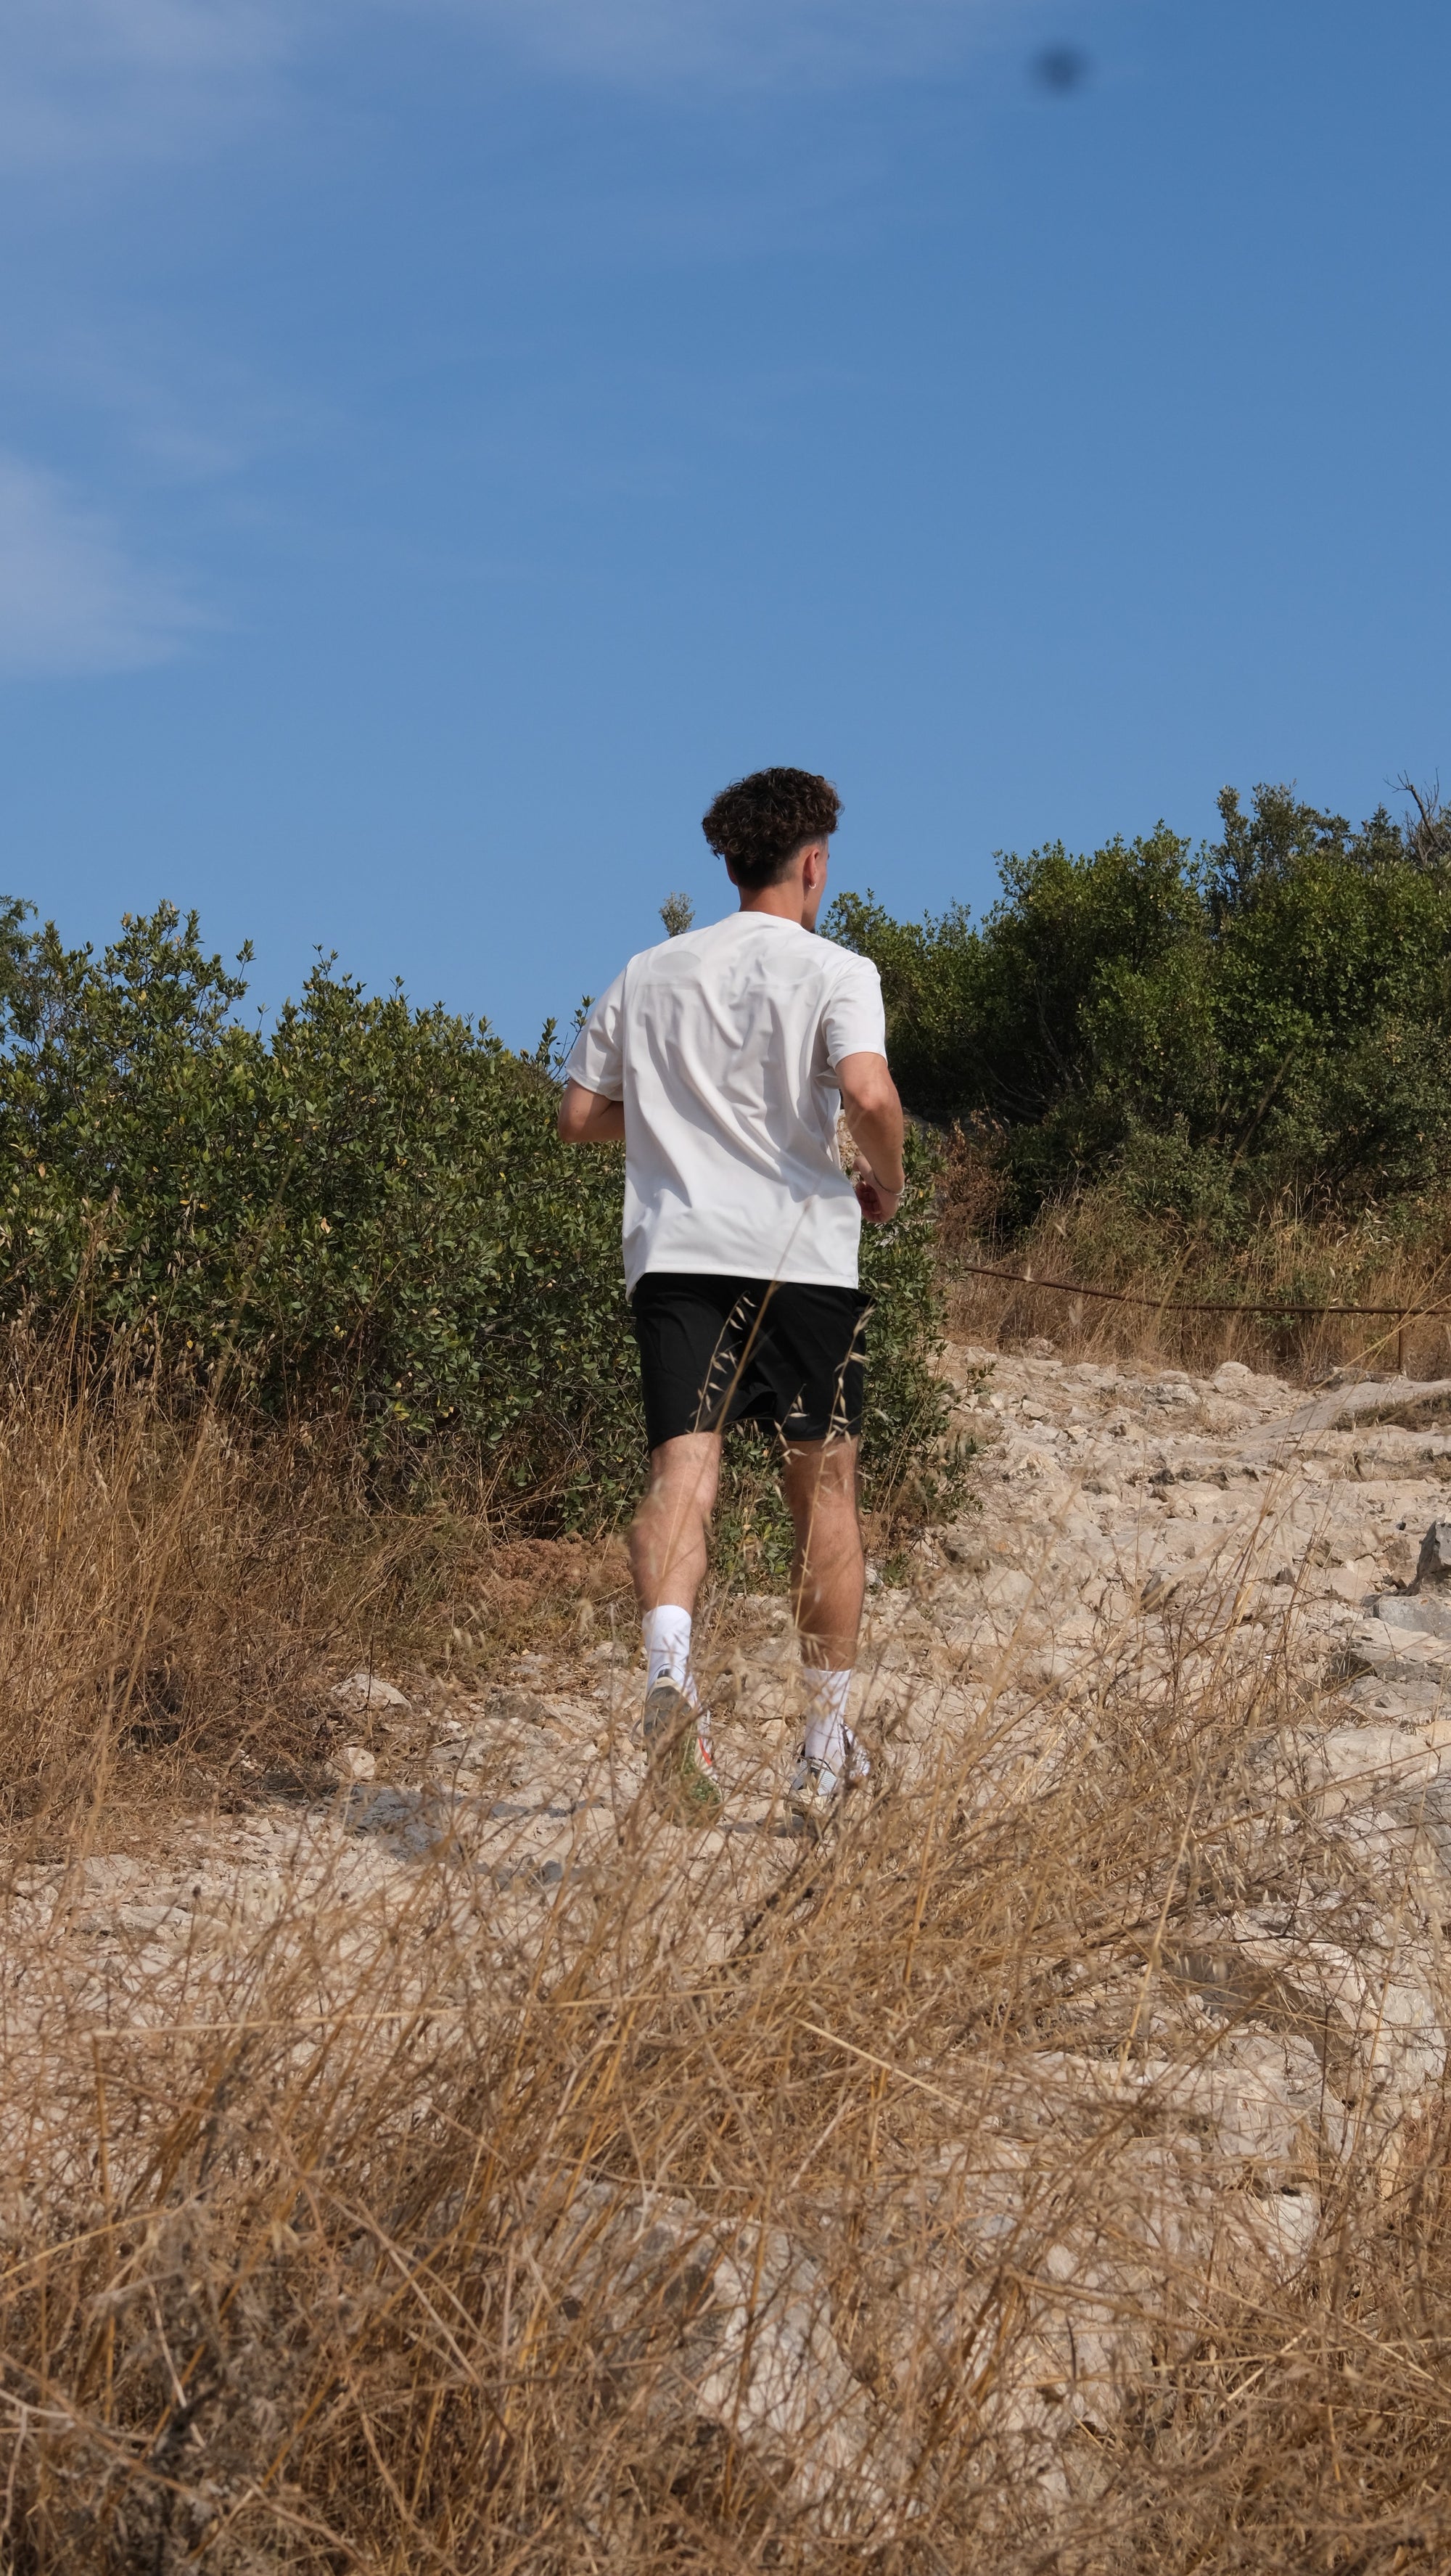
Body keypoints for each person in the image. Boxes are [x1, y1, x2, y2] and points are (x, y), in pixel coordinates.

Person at [557, 767, 906, 1826]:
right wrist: (886, 1181)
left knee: (684, 1473)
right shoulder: (838, 969)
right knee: (824, 1495)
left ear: (729, 864)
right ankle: (823, 1745)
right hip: (803, 1261)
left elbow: (578, 1117)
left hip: (677, 1256)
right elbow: (867, 1091)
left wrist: (679, 1125)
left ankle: (671, 1669)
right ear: (814, 863)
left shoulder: (647, 971)